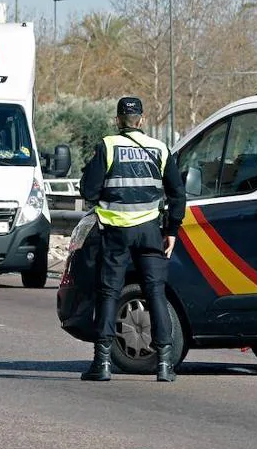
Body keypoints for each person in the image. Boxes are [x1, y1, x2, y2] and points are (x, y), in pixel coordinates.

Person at [77, 97, 186, 382]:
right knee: (156, 294)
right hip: (150, 231)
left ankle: (102, 364)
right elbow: (178, 194)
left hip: (115, 233)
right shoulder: (160, 149)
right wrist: (172, 230)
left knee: (109, 293)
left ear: (117, 120)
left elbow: (88, 190)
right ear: (142, 119)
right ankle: (164, 364)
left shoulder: (108, 146)